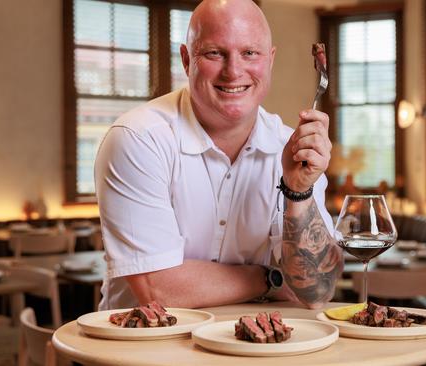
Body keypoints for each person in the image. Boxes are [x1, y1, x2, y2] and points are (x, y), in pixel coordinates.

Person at [94, 0, 342, 310]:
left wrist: (298, 191)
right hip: (147, 350)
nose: (234, 71)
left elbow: (317, 291)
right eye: (215, 53)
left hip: (260, 350)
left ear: (270, 61)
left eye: (249, 53)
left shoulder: (293, 149)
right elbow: (160, 292)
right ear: (187, 60)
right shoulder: (137, 139)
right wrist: (272, 280)